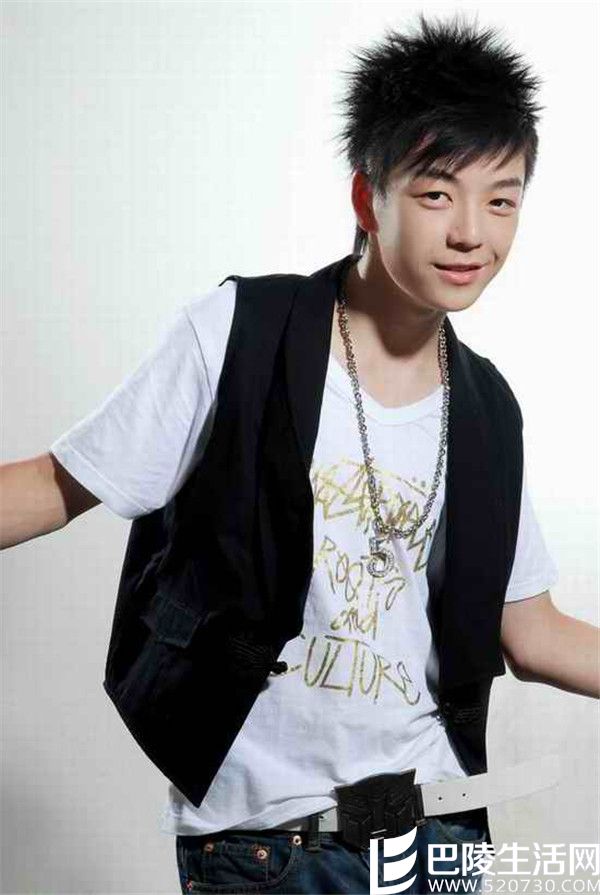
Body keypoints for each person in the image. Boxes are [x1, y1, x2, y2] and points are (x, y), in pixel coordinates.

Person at [1, 11, 598, 895]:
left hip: (437, 837)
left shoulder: (488, 407)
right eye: (438, 193)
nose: (473, 231)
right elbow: (56, 486)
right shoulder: (241, 333)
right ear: (368, 199)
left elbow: (532, 629)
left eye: (502, 199)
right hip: (266, 847)